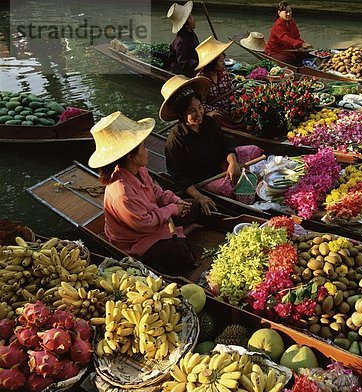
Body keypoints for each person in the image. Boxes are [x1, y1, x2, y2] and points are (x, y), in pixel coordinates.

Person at [88, 111, 202, 275]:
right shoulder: (122, 192)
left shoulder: (140, 169)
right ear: (131, 157)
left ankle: (179, 233)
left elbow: (156, 191)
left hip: (156, 218)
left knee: (194, 206)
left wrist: (175, 201)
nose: (147, 150)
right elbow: (144, 224)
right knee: (180, 255)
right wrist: (171, 209)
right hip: (136, 239)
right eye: (143, 147)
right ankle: (180, 234)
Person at [159, 75, 263, 202]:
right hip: (205, 179)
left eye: (200, 107)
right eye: (192, 111)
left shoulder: (208, 122)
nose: (199, 113)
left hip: (221, 164)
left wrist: (233, 162)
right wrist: (199, 196)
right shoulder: (175, 139)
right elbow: (178, 175)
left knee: (253, 150)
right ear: (182, 114)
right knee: (228, 188)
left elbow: (225, 144)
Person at [194, 36, 240, 127]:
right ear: (212, 64)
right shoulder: (201, 80)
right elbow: (200, 104)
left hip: (229, 109)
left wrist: (234, 106)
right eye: (220, 61)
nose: (223, 63)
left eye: (223, 60)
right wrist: (219, 110)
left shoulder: (224, 72)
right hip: (215, 112)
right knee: (215, 116)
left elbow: (232, 92)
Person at [167, 1, 200, 77]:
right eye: (191, 17)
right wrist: (199, 64)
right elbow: (183, 62)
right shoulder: (180, 41)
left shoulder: (191, 34)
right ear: (186, 25)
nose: (194, 19)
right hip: (183, 73)